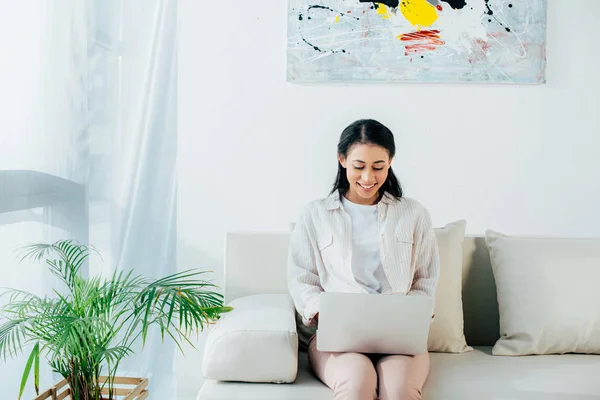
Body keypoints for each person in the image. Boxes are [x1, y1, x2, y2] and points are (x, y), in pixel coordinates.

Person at [287, 119, 440, 400]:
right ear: (342, 159)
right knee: (357, 383)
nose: (368, 178)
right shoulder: (315, 214)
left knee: (399, 390)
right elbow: (302, 279)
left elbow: (425, 278)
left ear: (390, 161)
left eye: (378, 167)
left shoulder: (414, 214)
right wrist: (323, 312)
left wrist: (415, 313)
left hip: (399, 337)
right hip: (339, 339)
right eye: (359, 166)